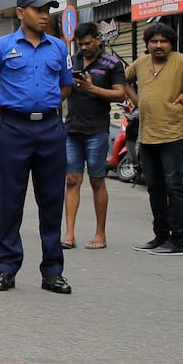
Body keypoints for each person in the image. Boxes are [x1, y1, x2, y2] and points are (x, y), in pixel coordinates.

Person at [0, 0, 74, 294]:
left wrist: (43, 108)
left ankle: (53, 271)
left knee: (51, 200)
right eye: (39, 10)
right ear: (21, 13)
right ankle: (7, 267)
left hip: (49, 129)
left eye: (48, 10)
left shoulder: (58, 47)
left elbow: (66, 86)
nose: (45, 15)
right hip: (14, 130)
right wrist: (7, 116)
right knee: (11, 200)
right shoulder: (2, 47)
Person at [122, 24, 183, 256]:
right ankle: (160, 236)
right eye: (154, 41)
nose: (158, 45)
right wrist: (136, 100)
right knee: (154, 189)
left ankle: (177, 240)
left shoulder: (182, 61)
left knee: (174, 187)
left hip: (173, 136)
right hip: (147, 136)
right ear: (147, 44)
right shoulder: (140, 63)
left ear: (171, 44)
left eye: (163, 41)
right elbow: (123, 80)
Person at [63, 22, 126, 251]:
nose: (84, 48)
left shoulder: (112, 63)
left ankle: (100, 233)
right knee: (72, 180)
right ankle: (69, 233)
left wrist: (93, 90)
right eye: (80, 45)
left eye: (88, 43)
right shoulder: (72, 60)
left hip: (97, 131)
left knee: (97, 180)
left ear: (98, 39)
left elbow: (120, 93)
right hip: (72, 129)